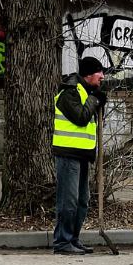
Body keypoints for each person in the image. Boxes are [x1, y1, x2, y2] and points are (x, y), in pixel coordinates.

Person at [52, 56, 107, 254]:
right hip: (68, 154)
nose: (102, 76)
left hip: (83, 154)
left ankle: (73, 239)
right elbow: (81, 117)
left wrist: (96, 99)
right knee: (69, 201)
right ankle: (62, 242)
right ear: (88, 74)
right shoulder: (70, 92)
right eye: (99, 72)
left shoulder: (86, 91)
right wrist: (95, 99)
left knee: (82, 201)